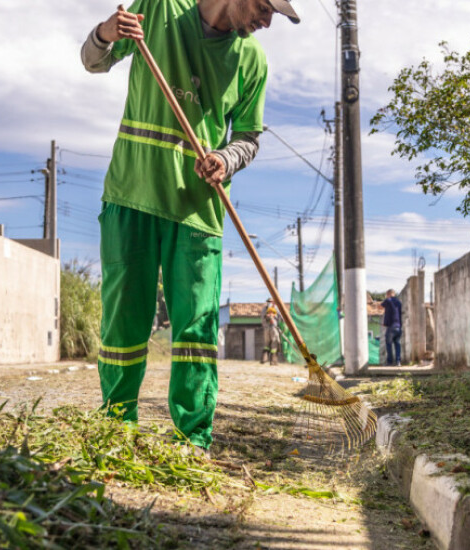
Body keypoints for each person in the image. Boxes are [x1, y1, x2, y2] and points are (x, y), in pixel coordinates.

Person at [81, 0, 300, 454]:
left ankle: (191, 438)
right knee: (124, 323)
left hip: (198, 210)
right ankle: (117, 428)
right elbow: (93, 62)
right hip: (131, 196)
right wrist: (106, 32)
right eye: (264, 8)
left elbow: (249, 137)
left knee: (197, 332)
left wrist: (226, 158)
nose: (266, 21)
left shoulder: (252, 58)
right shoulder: (158, 9)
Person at [382, 289, 403, 366]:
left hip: (391, 327)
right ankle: (398, 361)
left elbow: (381, 306)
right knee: (397, 344)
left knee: (388, 344)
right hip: (398, 327)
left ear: (389, 294)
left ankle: (390, 362)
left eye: (386, 295)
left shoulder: (388, 300)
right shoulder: (399, 302)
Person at [260, 298, 281, 365]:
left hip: (266, 328)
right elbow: (280, 317)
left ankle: (264, 359)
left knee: (266, 344)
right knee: (274, 343)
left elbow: (262, 319)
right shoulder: (275, 308)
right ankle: (273, 361)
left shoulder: (264, 309)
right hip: (273, 328)